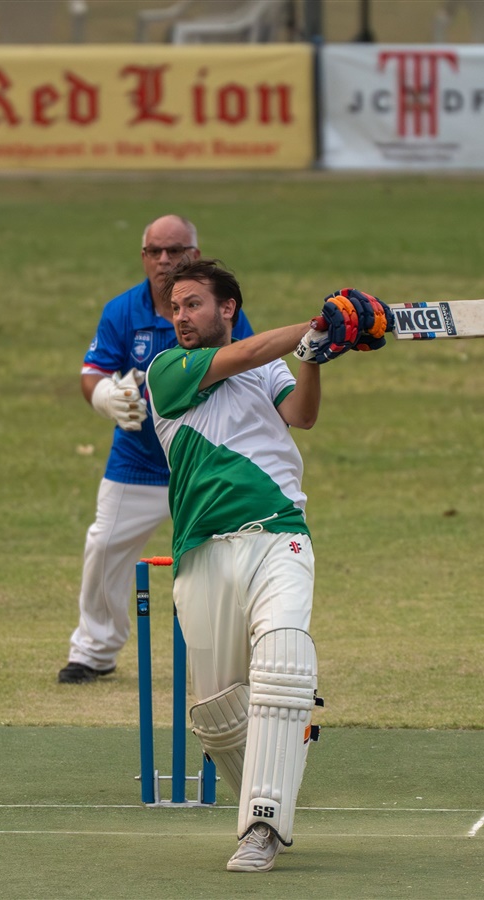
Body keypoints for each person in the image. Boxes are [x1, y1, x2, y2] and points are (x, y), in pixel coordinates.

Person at [147, 259, 393, 872]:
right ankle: (286, 741)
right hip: (201, 551)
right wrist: (316, 324)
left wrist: (313, 353)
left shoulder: (270, 368)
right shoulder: (167, 371)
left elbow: (302, 416)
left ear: (226, 307)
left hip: (277, 534)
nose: (181, 315)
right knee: (218, 716)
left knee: (283, 659)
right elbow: (249, 352)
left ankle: (261, 826)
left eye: (194, 304)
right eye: (175, 306)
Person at [58, 217, 254, 684]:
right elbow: (92, 373)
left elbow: (246, 362)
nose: (165, 260)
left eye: (176, 250)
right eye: (155, 251)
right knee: (104, 546)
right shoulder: (122, 311)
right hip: (139, 460)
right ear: (143, 256)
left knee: (233, 556)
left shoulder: (217, 308)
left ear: (195, 252)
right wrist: (106, 396)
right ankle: (95, 651)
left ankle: (240, 656)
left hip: (206, 458)